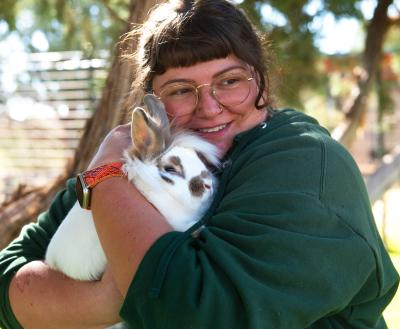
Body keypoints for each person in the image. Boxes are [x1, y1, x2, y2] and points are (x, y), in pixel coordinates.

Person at [0, 0, 398, 328]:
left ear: (259, 79)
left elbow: (195, 313)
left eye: (229, 81)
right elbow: (8, 280)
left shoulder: (306, 162)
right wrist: (106, 297)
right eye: (181, 90)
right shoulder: (143, 157)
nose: (209, 107)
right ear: (152, 103)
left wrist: (105, 179)